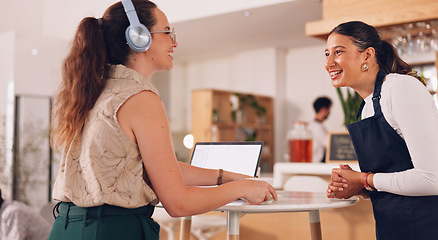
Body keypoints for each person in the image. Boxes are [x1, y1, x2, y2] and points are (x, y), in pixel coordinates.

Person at [47, 1, 277, 239]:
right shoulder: (140, 98)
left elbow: (157, 168)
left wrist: (226, 177)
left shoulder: (95, 89)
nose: (174, 42)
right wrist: (241, 188)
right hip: (111, 231)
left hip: (66, 228)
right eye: (168, 32)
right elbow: (178, 203)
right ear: (139, 37)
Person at [324, 21, 438, 240]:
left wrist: (364, 179)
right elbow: (393, 176)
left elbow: (433, 181)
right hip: (393, 227)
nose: (329, 63)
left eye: (338, 52)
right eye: (327, 54)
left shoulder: (400, 88)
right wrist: (356, 185)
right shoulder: (366, 107)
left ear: (367, 55)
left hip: (430, 225)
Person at [307, 96, 332, 163]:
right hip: (317, 162)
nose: (329, 113)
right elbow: (329, 143)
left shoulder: (311, 125)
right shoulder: (317, 127)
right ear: (323, 109)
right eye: (329, 109)